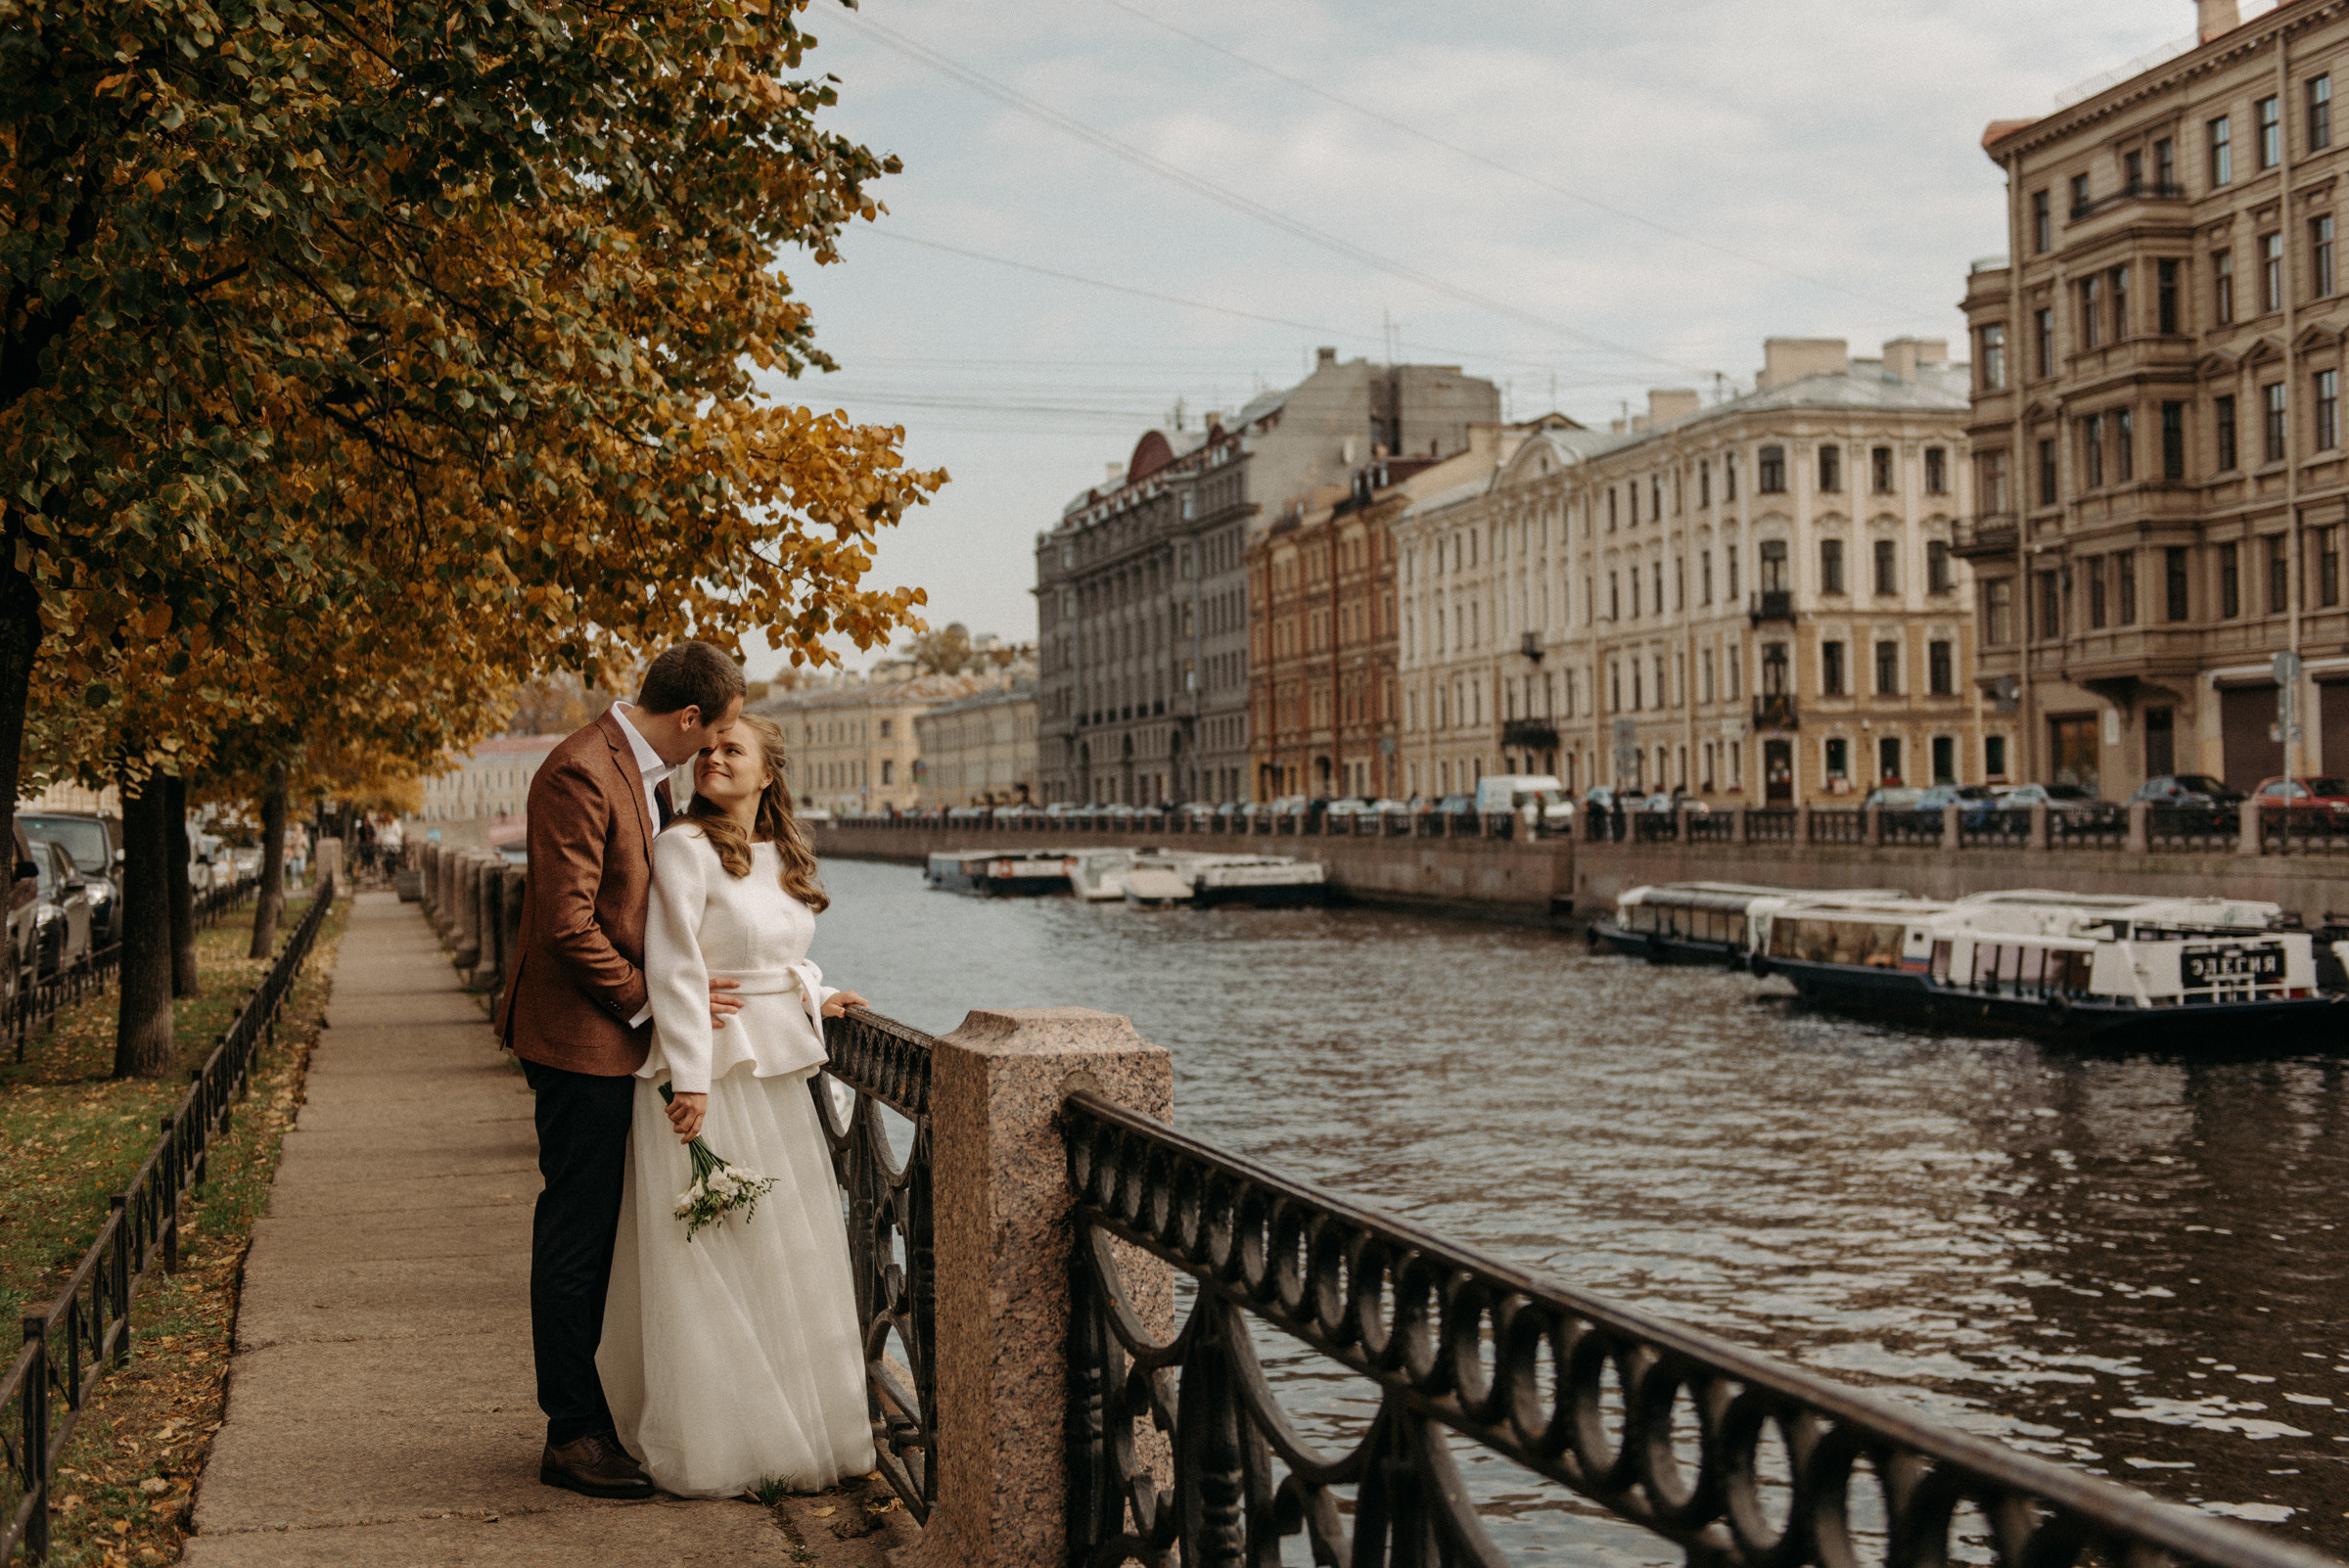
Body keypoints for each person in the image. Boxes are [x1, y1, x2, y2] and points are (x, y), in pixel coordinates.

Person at [597, 712, 876, 1498]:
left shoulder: (782, 853)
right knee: (714, 1254)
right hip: (710, 1078)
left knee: (782, 1253)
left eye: (733, 750)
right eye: (708, 749)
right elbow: (677, 965)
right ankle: (724, 1442)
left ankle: (797, 1426)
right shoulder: (684, 848)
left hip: (774, 1072)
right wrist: (687, 1078)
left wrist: (814, 994)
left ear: (768, 774)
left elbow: (772, 952)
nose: (713, 758)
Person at [498, 642, 747, 1499]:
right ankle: (570, 1433)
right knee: (577, 1234)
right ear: (686, 719)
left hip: (612, 1037)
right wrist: (653, 1002)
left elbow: (633, 905)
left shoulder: (642, 770)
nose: (711, 753)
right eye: (710, 737)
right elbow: (568, 926)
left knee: (602, 1232)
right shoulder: (579, 771)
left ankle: (597, 1413)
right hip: (579, 1041)